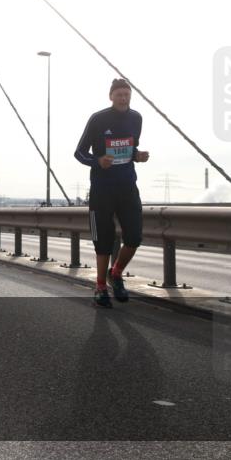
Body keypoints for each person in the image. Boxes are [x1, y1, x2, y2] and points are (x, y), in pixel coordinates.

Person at [74, 78, 150, 308]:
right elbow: (79, 152)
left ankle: (115, 273)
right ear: (111, 96)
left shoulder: (136, 118)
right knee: (103, 241)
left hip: (127, 187)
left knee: (134, 236)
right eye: (119, 94)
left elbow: (131, 147)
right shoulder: (98, 119)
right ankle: (100, 286)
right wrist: (97, 161)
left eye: (126, 94)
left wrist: (137, 155)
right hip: (102, 189)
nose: (123, 98)